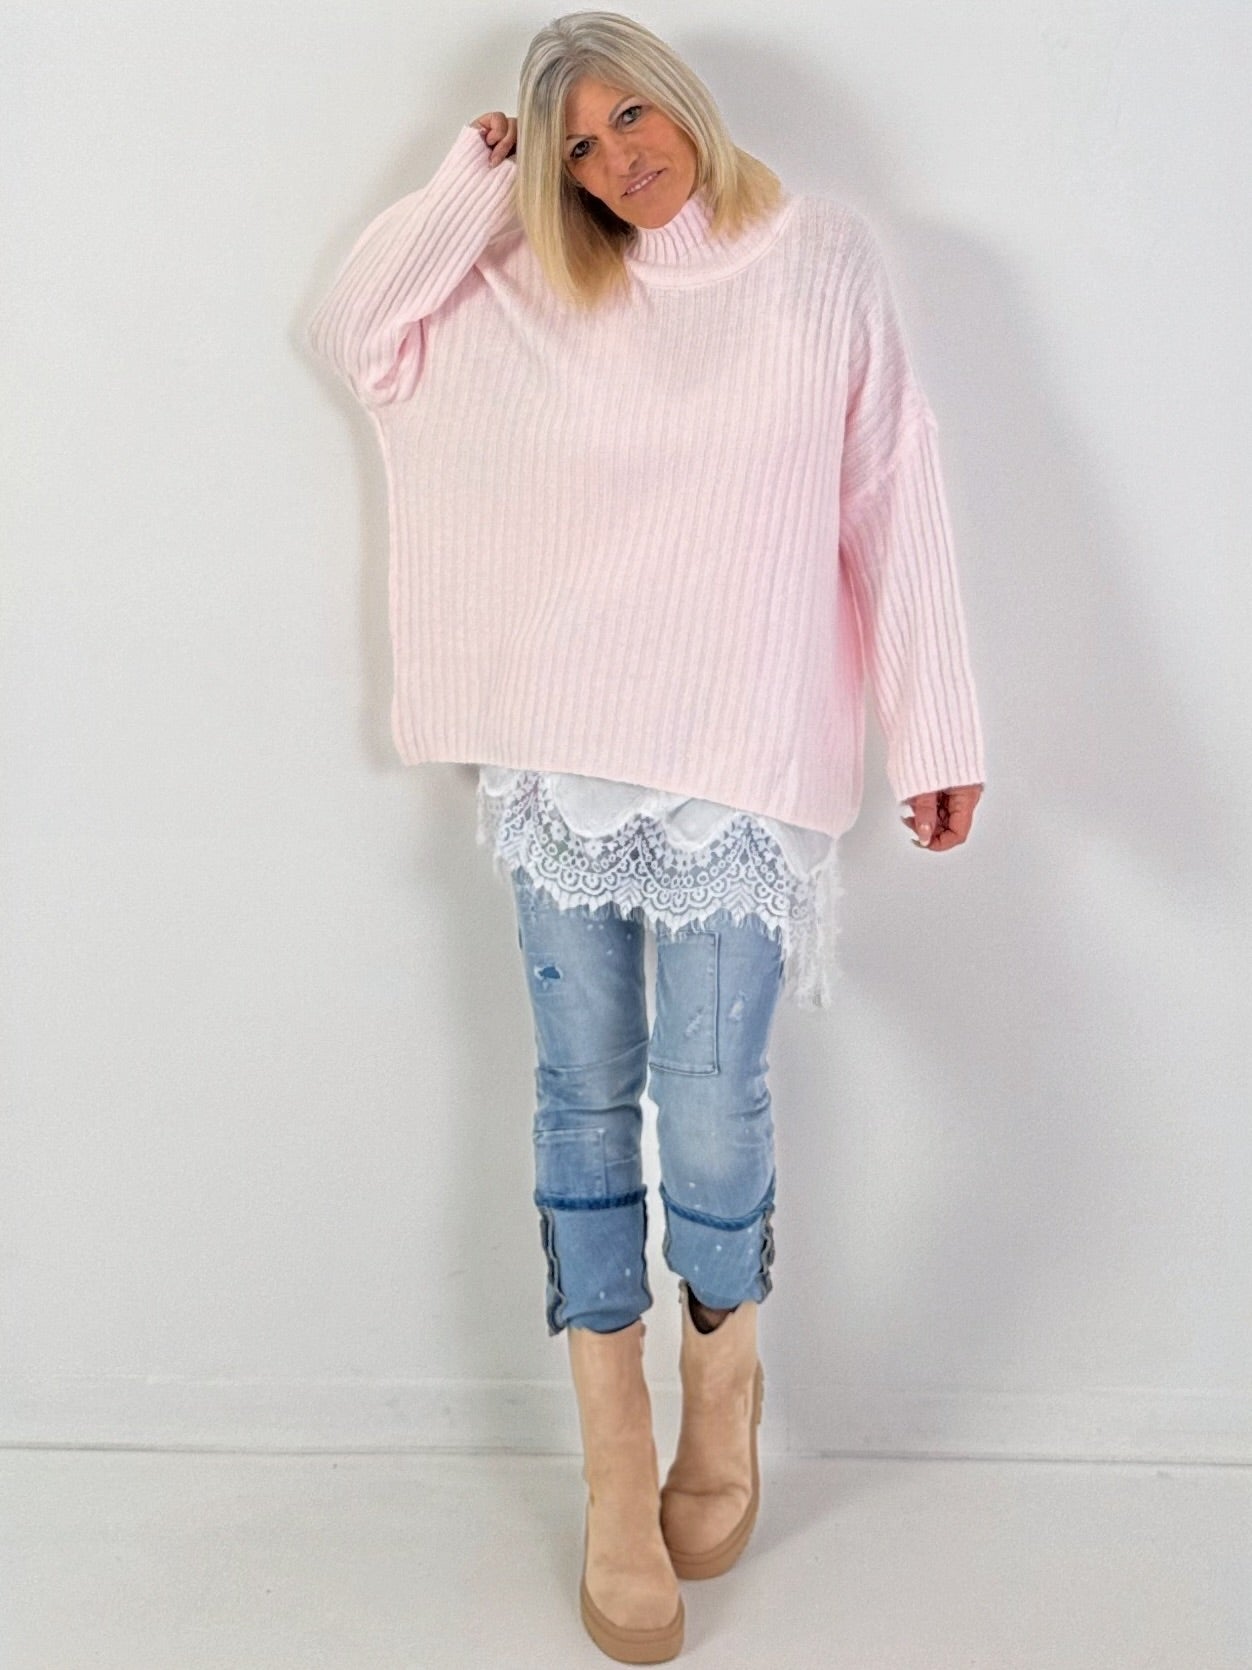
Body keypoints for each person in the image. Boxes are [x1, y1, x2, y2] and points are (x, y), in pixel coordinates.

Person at [306, 12, 986, 1662]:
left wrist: (938, 723)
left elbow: (890, 481)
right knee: (580, 1094)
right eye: (578, 149)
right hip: (567, 757)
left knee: (715, 1095)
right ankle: (617, 1458)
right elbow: (357, 331)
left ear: (682, 100)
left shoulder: (820, 257)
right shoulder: (540, 277)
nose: (619, 161)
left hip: (741, 755)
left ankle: (721, 1385)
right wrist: (476, 184)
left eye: (629, 120)